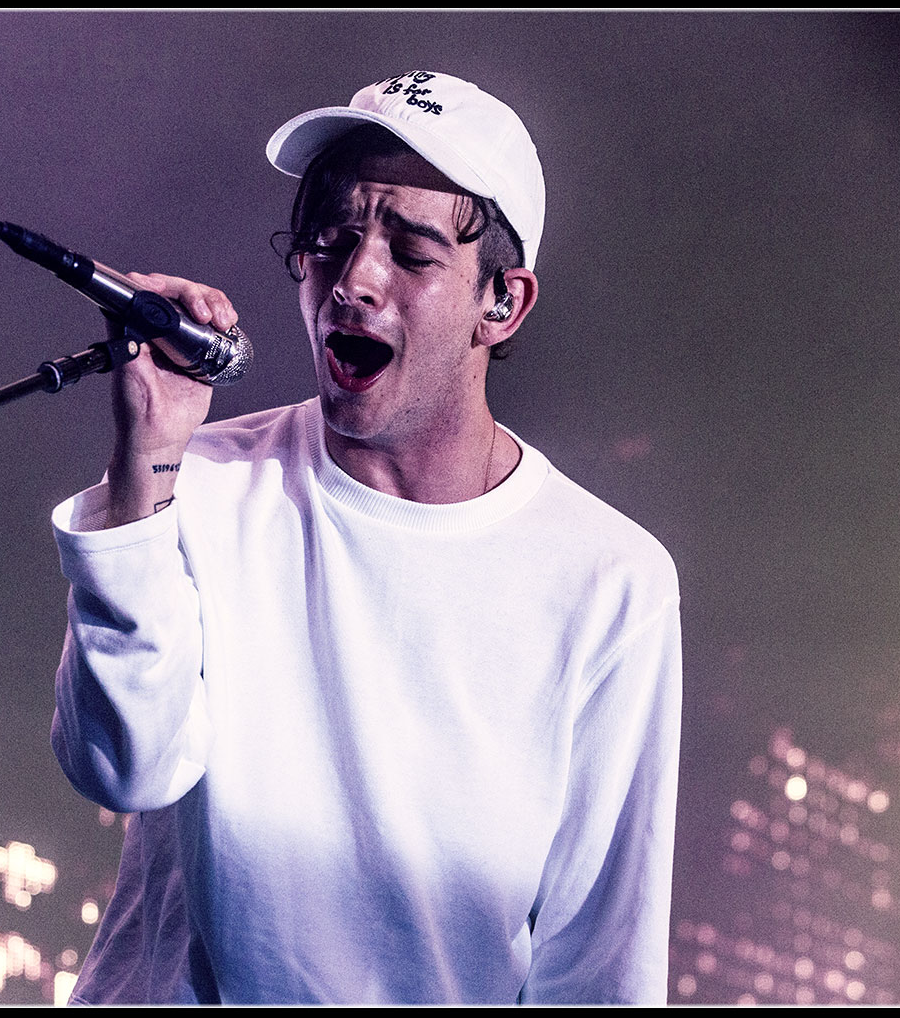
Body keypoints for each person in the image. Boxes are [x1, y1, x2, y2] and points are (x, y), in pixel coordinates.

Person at [48, 70, 682, 1005]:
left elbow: (600, 963)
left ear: (502, 303)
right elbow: (119, 764)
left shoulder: (609, 581)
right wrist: (147, 450)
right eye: (331, 240)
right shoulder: (196, 483)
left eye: (411, 253)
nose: (351, 282)